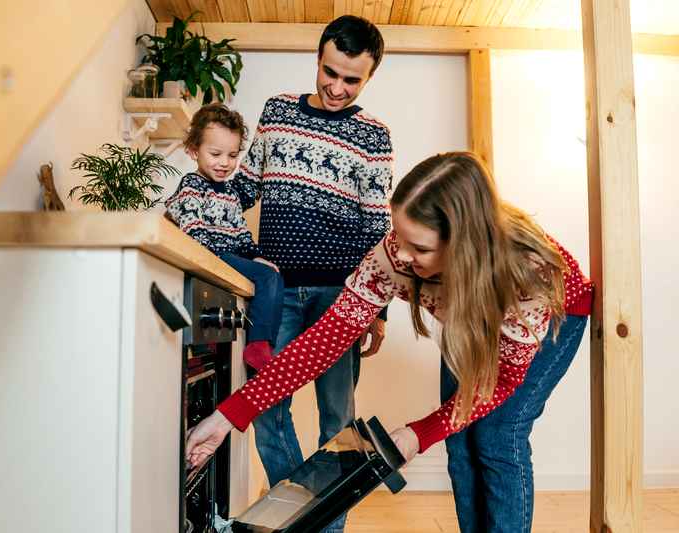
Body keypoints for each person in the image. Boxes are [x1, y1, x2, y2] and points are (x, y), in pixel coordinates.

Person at [186, 152, 594, 533]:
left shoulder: (529, 276)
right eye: (399, 235)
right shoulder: (393, 255)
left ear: (464, 246)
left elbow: (499, 384)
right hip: (473, 316)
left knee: (497, 435)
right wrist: (229, 415)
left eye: (420, 248)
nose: (402, 255)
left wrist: (417, 434)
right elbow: (325, 340)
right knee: (459, 438)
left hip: (554, 316)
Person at [230, 16, 393, 533]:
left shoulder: (375, 136)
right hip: (274, 296)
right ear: (318, 58)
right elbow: (243, 189)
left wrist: (377, 310)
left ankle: (324, 527)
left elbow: (378, 229)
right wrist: (194, 208)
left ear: (368, 78)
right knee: (267, 409)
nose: (338, 87)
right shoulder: (277, 111)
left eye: (353, 80)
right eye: (331, 72)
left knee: (337, 422)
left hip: (340, 297)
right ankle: (301, 514)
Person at [165, 103, 284, 370]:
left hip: (226, 256)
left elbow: (240, 231)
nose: (224, 163)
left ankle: (262, 344)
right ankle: (259, 346)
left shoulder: (230, 192)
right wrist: (214, 259)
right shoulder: (191, 185)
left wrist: (256, 256)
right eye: (215, 153)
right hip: (212, 256)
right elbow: (192, 227)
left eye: (232, 155)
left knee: (272, 272)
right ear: (194, 150)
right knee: (268, 277)